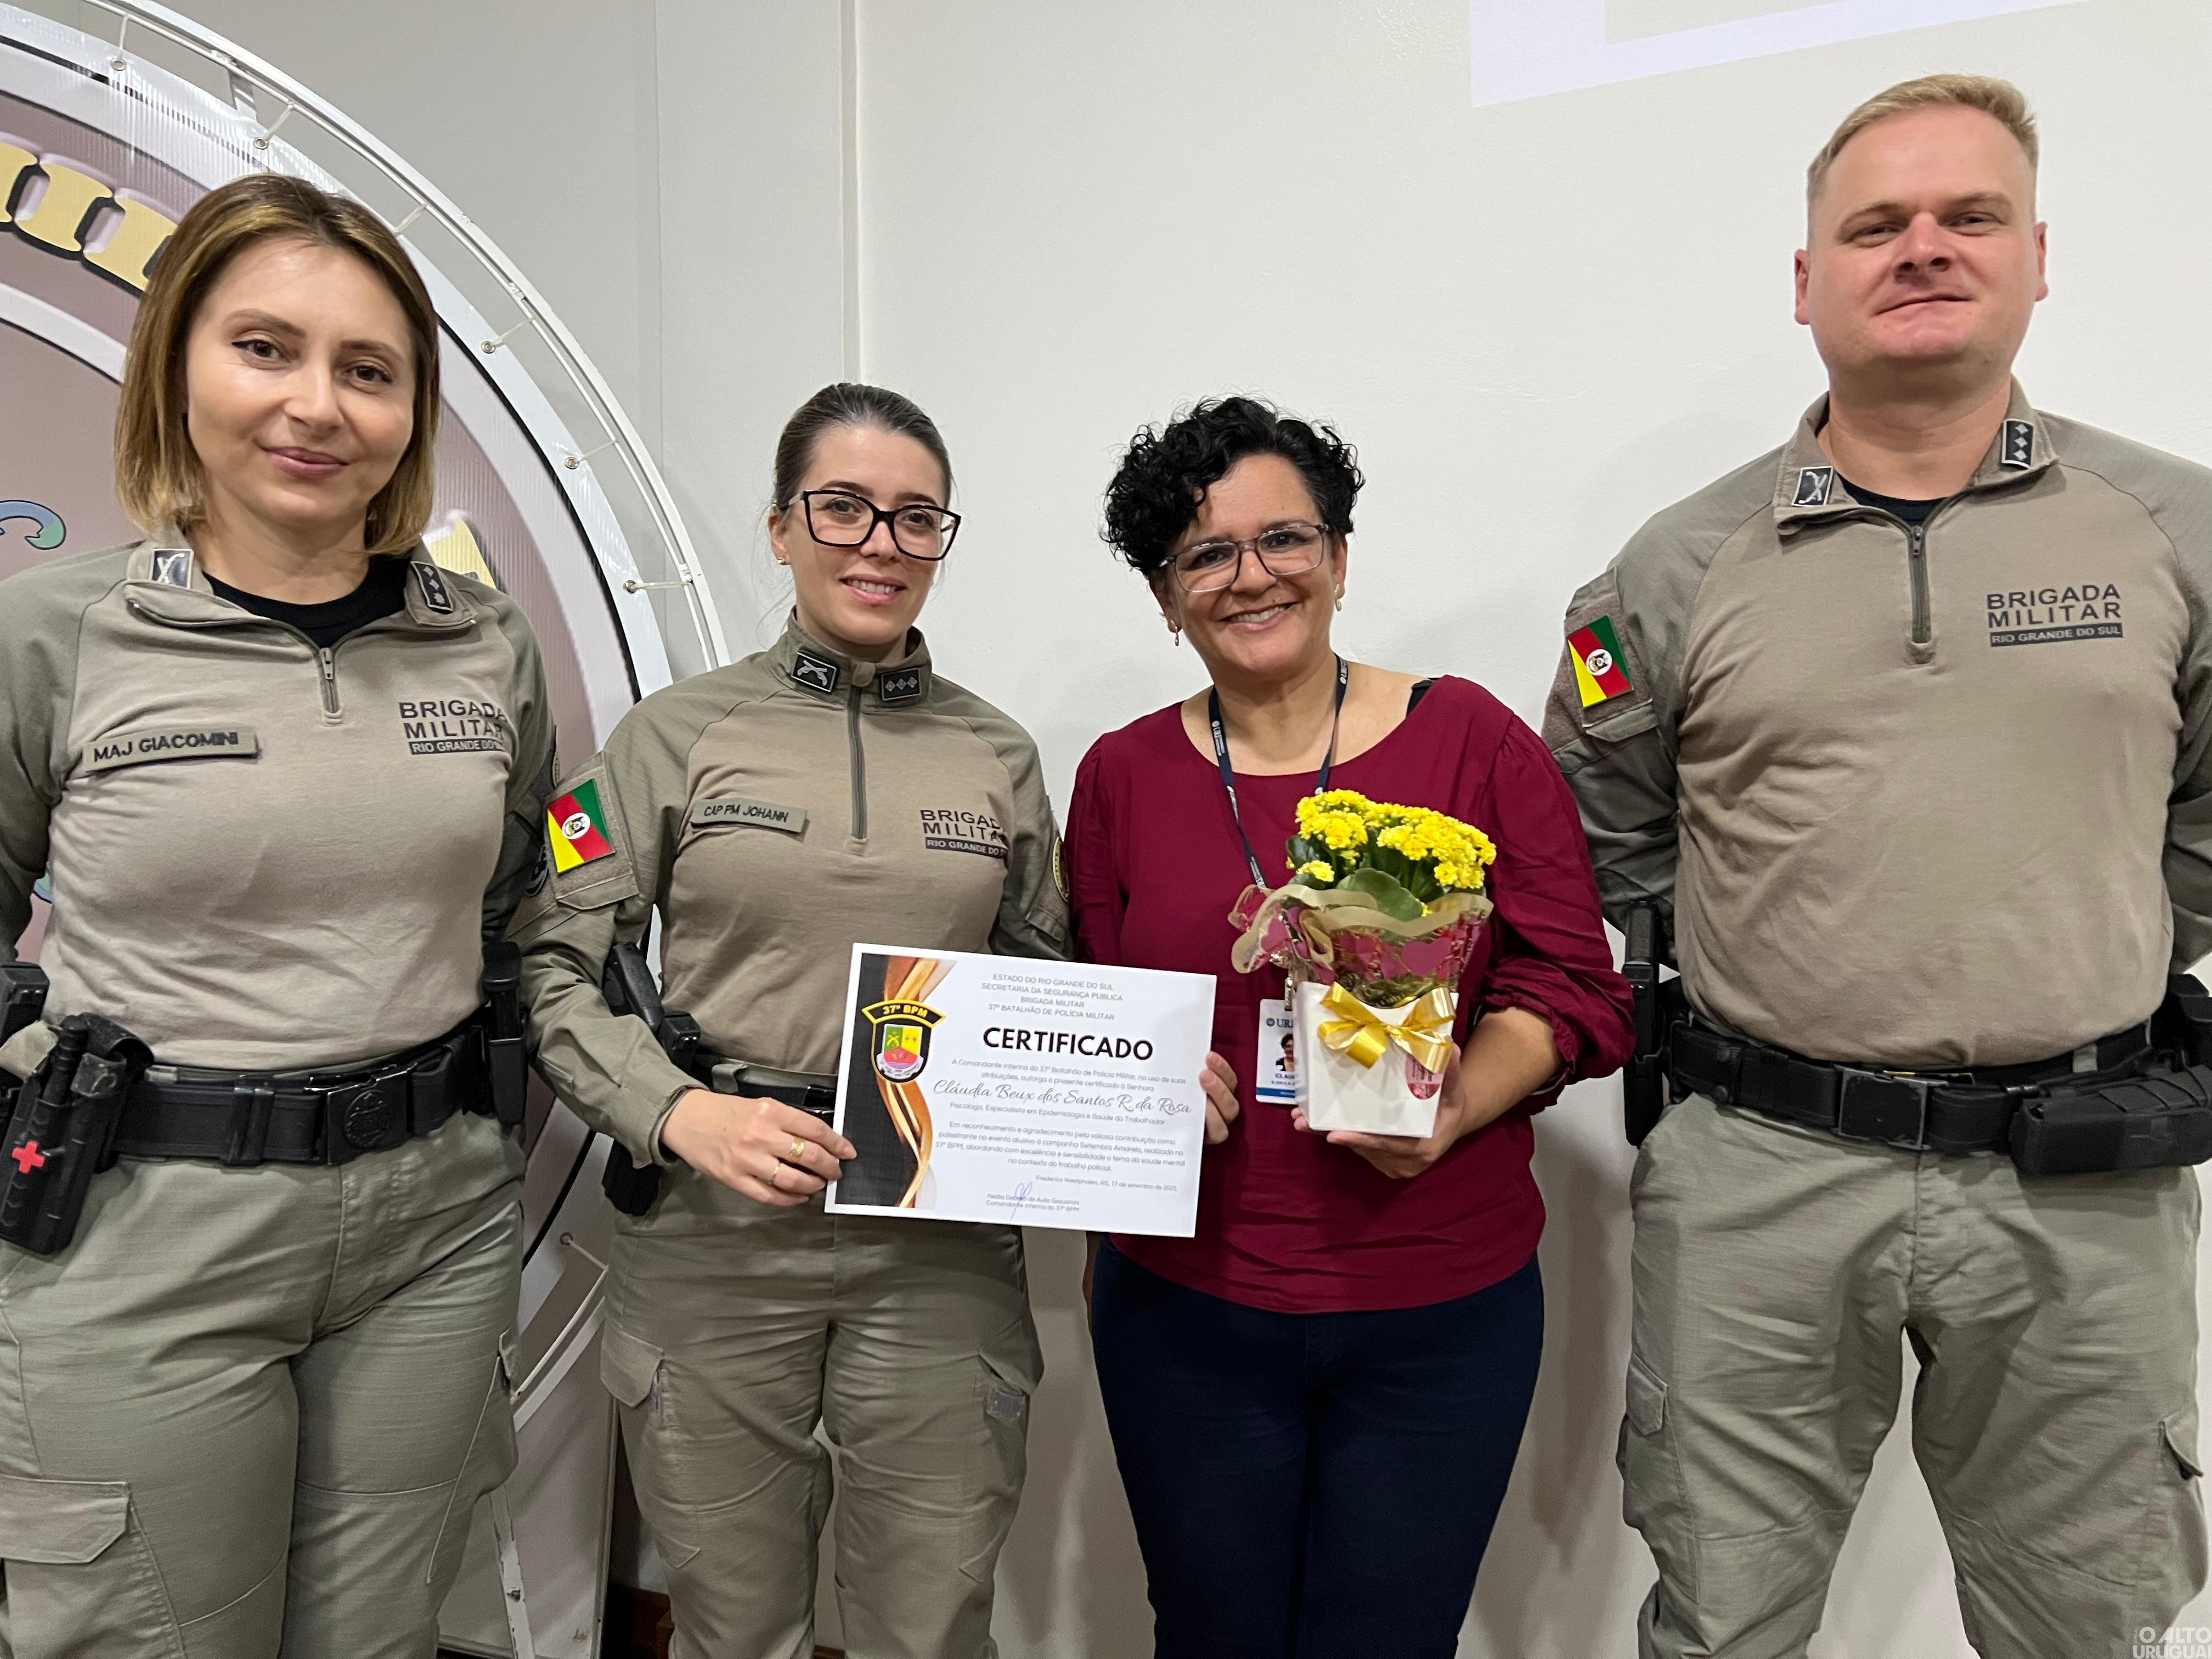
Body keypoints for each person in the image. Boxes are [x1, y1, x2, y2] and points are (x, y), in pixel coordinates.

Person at [1547, 74, 2210, 1659]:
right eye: (1875, 226)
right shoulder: (1673, 566)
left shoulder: (2177, 532)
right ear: (1806, 282)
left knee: (2086, 1625)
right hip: (1761, 1172)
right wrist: (1765, 946)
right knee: (1723, 1615)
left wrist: (2090, 930)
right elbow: (1599, 822)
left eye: (1967, 217)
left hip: (2084, 1172)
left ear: (2038, 255)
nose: (1922, 249)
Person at [0, 174, 553, 1656]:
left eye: (367, 371)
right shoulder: (56, 633)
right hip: (144, 1232)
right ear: (179, 367)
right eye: (265, 349)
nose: (317, 406)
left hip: (430, 1231)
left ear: (412, 413)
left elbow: (529, 901)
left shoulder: (482, 647)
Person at [515, 383, 1093, 1659]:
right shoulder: (667, 738)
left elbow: (1048, 983)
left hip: (936, 1247)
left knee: (933, 1620)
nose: (880, 544)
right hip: (721, 1229)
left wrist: (1143, 1079)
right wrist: (675, 1111)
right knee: (735, 1622)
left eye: (917, 518)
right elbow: (554, 971)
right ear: (782, 528)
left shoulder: (997, 754)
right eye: (844, 507)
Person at [1068, 395, 1633, 1658]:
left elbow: (1576, 987)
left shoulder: (1470, 738)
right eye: (1204, 554)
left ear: (1338, 557)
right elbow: (1098, 1003)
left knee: (1387, 1639)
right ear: (1165, 598)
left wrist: (1455, 1103)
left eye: (1285, 539)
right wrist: (1135, 1085)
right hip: (1186, 1314)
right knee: (1210, 1635)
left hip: (1435, 1312)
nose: (1250, 576)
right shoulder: (1119, 775)